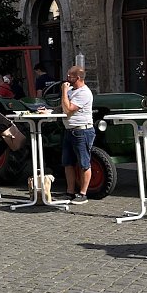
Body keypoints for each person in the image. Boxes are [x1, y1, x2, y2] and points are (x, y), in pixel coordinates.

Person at [61, 66, 94, 205]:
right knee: (67, 162)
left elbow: (68, 109)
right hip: (69, 130)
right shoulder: (70, 90)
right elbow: (63, 106)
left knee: (84, 163)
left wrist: (63, 91)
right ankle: (70, 192)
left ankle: (83, 193)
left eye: (70, 77)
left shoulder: (84, 93)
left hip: (82, 131)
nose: (67, 79)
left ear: (78, 78)